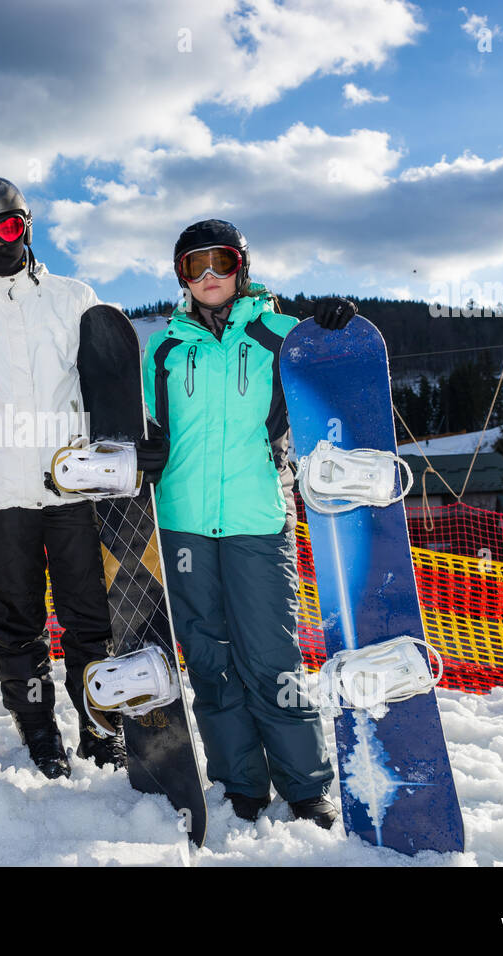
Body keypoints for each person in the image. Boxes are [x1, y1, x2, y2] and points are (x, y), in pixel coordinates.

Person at [142, 219, 355, 828]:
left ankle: (306, 784)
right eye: (194, 266)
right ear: (181, 277)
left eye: (221, 262)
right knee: (208, 660)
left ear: (243, 265)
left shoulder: (278, 334)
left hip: (257, 520)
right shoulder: (163, 348)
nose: (209, 277)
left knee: (271, 656)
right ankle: (241, 782)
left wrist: (332, 333)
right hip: (182, 523)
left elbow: (335, 381)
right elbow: (150, 427)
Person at [0, 176, 126, 778]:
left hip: (73, 485)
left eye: (6, 227)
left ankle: (100, 727)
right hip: (0, 492)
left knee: (89, 617)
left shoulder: (72, 297)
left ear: (27, 226)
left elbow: (105, 384)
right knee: (15, 622)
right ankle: (39, 733)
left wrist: (117, 463)